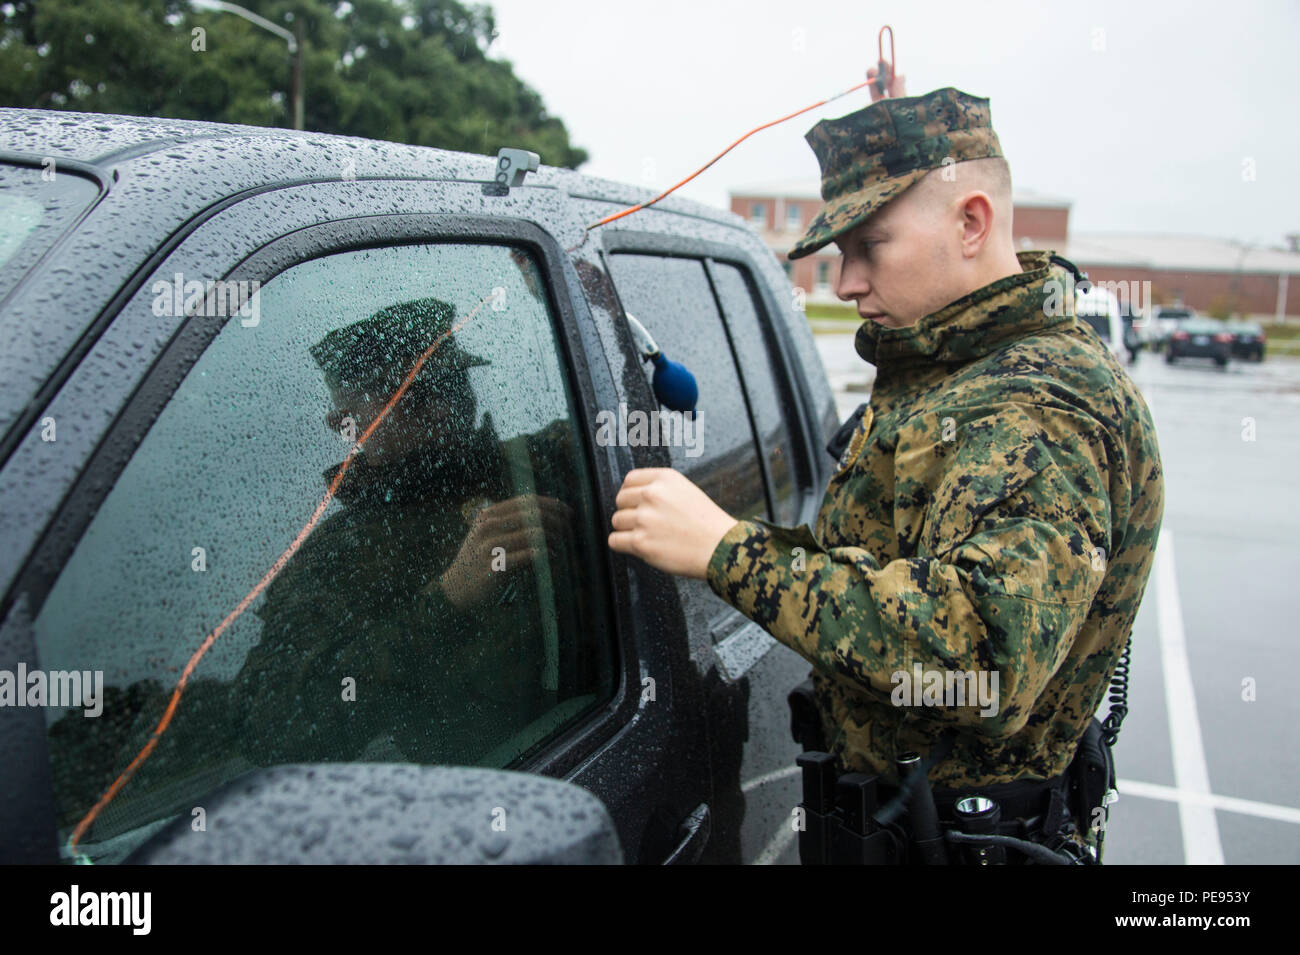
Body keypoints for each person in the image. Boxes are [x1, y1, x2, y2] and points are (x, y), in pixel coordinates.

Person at [607, 77, 1165, 862]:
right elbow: (890, 561)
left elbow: (983, 661)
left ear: (971, 222)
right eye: (841, 254)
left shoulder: (1039, 404)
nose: (846, 283)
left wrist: (731, 553)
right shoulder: (953, 370)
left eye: (870, 248)